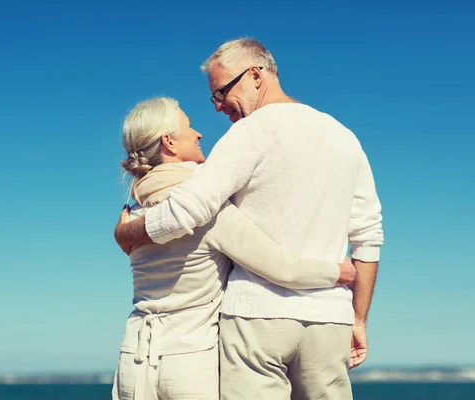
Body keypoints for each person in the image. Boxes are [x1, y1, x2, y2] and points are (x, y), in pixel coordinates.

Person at [115, 38, 384, 400]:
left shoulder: (247, 135)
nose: (218, 107)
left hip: (255, 319)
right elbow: (368, 237)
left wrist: (126, 232)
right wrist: (358, 319)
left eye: (221, 92)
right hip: (329, 317)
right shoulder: (345, 138)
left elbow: (188, 209)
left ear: (255, 76)